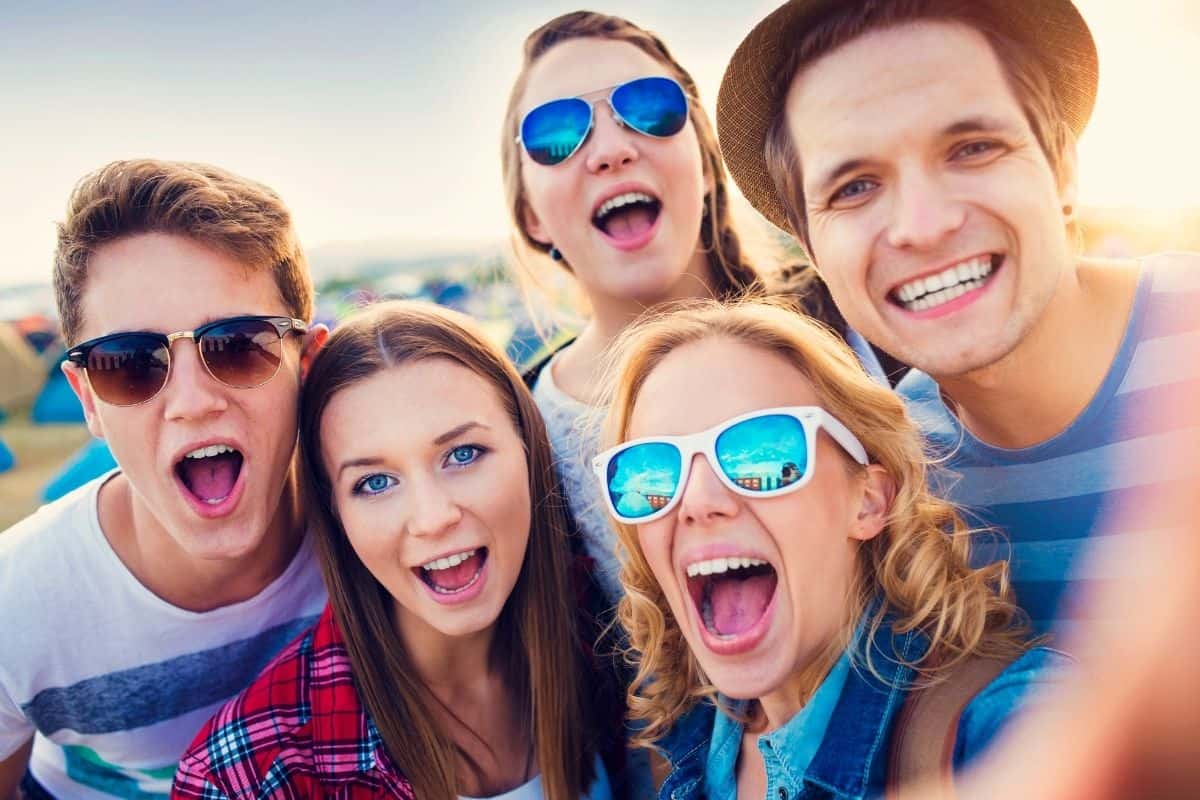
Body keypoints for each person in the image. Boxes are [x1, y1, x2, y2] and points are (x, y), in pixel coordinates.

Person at [714, 0, 1200, 637]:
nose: (923, 225)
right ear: (812, 249)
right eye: (855, 187)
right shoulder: (898, 487)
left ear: (1064, 167)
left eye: (973, 148)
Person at [501, 10, 903, 607]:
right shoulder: (524, 436)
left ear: (707, 166)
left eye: (651, 107)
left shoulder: (855, 317)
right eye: (557, 134)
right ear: (531, 214)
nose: (610, 150)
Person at [594, 299, 1068, 799]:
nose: (697, 502)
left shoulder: (1005, 737)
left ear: (867, 502)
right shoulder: (674, 740)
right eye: (651, 473)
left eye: (762, 454)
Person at [173, 302, 626, 800]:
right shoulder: (249, 774)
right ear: (337, 515)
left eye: (463, 454)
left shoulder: (608, 635)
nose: (433, 518)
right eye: (375, 483)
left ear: (528, 448)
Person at [0, 160, 328, 799]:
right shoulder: (17, 607)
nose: (192, 401)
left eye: (238, 344)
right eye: (130, 363)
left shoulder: (384, 535)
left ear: (307, 364)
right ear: (87, 399)